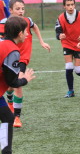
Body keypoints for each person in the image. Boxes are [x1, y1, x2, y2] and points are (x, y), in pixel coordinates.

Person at [2, 0, 50, 128]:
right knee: (10, 86)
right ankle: (10, 103)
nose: (21, 11)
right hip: (9, 58)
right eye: (18, 9)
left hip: (22, 58)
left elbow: (35, 27)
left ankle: (17, 117)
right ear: (10, 10)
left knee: (18, 84)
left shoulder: (27, 21)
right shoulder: (4, 23)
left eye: (23, 8)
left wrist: (41, 41)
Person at [0, 16, 35, 154]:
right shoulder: (12, 50)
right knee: (8, 118)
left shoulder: (2, 43)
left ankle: (6, 151)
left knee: (8, 117)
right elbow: (12, 82)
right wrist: (25, 79)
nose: (27, 34)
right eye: (26, 31)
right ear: (20, 33)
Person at [55, 0, 80, 98]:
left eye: (72, 5)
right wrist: (59, 36)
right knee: (69, 67)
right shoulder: (61, 18)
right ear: (64, 6)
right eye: (68, 5)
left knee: (78, 70)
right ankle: (71, 91)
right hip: (67, 43)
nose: (70, 7)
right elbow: (58, 31)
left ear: (74, 5)